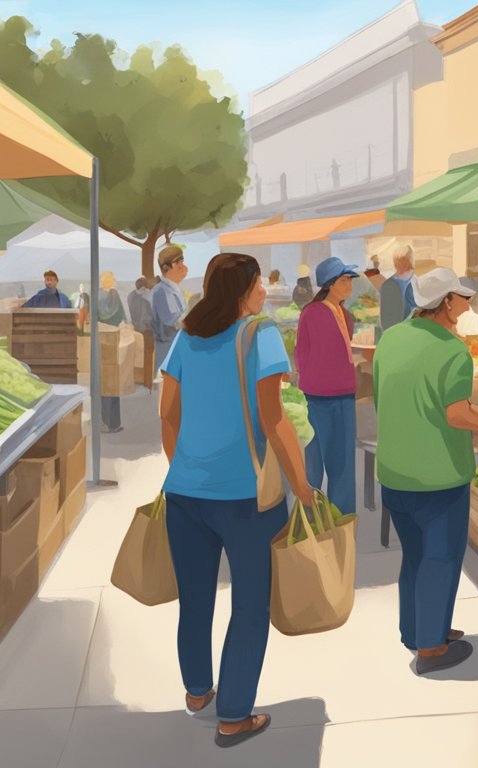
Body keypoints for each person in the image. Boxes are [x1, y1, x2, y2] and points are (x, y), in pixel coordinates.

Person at [159, 252, 314, 748]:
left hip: (185, 495)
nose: (265, 291)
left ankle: (198, 692)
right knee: (249, 606)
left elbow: (167, 415)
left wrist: (186, 468)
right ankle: (234, 716)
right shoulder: (260, 335)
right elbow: (275, 420)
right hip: (250, 499)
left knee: (196, 599)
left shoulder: (187, 336)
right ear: (245, 289)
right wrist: (304, 487)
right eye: (258, 284)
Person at [374, 267, 478, 675]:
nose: (467, 304)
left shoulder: (390, 339)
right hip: (438, 475)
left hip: (394, 471)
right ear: (446, 303)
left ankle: (418, 630)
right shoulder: (453, 350)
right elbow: (457, 414)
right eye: (463, 297)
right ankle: (432, 649)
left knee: (415, 557)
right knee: (440, 558)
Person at [295, 256, 360, 517]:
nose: (349, 285)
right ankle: (311, 519)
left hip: (344, 394)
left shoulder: (346, 314)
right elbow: (302, 353)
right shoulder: (312, 312)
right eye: (344, 280)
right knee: (314, 463)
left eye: (349, 280)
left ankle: (342, 521)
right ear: (330, 284)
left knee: (343, 463)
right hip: (316, 396)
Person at [98, 272, 128, 433]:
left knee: (105, 385)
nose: (115, 282)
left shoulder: (96, 295)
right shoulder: (112, 295)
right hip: (112, 342)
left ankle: (107, 423)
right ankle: (111, 423)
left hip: (100, 342)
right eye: (113, 279)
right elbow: (120, 316)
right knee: (111, 386)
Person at [152, 246, 189, 374]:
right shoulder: (161, 291)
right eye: (177, 262)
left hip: (176, 349)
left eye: (182, 261)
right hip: (167, 351)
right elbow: (170, 321)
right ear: (166, 268)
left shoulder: (174, 288)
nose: (182, 267)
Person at [377, 244, 417, 335]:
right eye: (397, 261)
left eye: (401, 260)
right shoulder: (388, 286)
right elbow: (385, 318)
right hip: (396, 334)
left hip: (410, 334)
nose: (397, 264)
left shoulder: (417, 283)